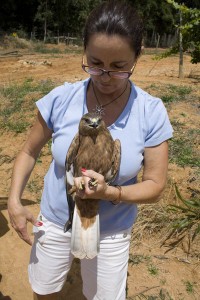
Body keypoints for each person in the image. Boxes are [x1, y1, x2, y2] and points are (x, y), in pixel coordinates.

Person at [8, 1, 173, 299]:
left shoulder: (151, 111)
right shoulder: (61, 99)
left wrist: (111, 193)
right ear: (83, 50)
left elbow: (156, 185)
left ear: (138, 55)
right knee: (44, 290)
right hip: (56, 220)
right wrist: (14, 201)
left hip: (110, 230)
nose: (105, 76)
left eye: (119, 67)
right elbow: (28, 151)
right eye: (95, 63)